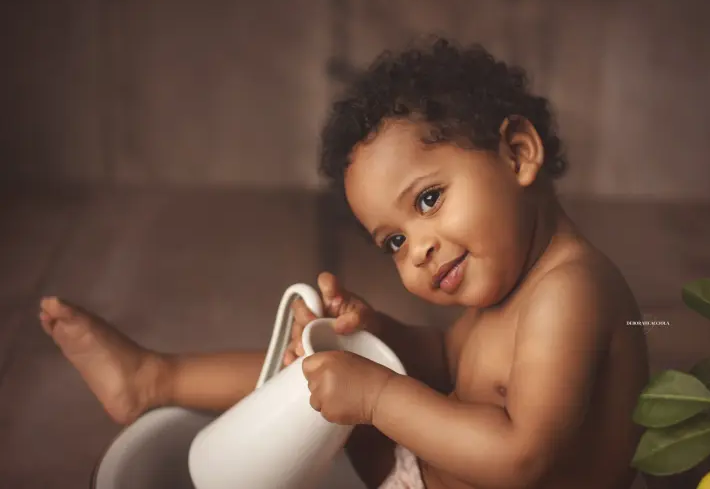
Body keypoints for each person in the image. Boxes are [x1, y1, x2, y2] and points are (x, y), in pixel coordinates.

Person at [40, 37, 650, 489]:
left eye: (429, 200)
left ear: (517, 154)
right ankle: (153, 379)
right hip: (429, 476)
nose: (418, 249)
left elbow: (524, 457)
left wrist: (379, 398)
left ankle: (158, 381)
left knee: (348, 387)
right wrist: (378, 336)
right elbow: (446, 364)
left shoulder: (569, 293)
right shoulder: (508, 283)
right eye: (393, 242)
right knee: (321, 369)